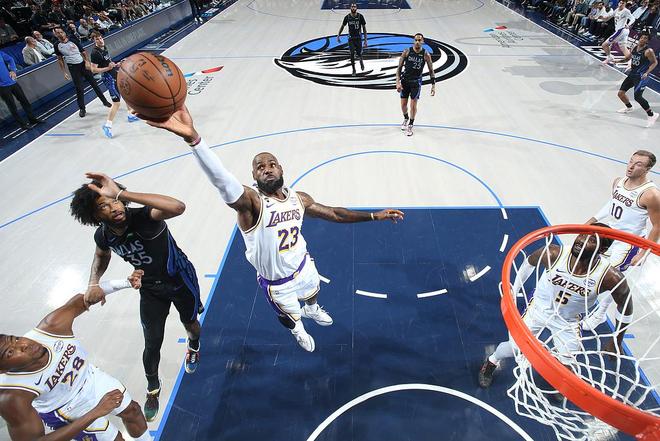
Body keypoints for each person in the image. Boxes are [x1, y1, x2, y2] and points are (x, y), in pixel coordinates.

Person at [134, 106, 404, 353]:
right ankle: (298, 329)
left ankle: (311, 309)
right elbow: (222, 180)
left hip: (303, 265)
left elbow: (334, 213)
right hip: (277, 282)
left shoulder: (299, 198)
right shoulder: (251, 204)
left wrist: (374, 215)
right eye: (260, 167)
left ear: (281, 168)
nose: (267, 169)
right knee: (290, 317)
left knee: (312, 293)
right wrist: (194, 140)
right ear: (254, 176)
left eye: (272, 164)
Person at [69, 172, 202, 422]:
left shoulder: (145, 216)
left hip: (180, 279)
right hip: (150, 288)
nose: (114, 207)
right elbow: (101, 256)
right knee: (152, 342)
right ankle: (153, 388)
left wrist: (121, 193)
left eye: (115, 200)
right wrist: (93, 282)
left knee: (191, 323)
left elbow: (178, 207)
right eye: (104, 206)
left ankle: (194, 344)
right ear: (94, 216)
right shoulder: (103, 235)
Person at [0, 270, 152, 441]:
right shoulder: (12, 396)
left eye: (16, 339)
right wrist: (96, 412)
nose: (24, 345)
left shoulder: (52, 327)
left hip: (89, 378)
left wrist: (126, 282)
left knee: (133, 411)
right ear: (2, 370)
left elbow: (87, 297)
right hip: (65, 408)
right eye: (11, 352)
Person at [478, 225, 633, 388]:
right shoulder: (554, 253)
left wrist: (617, 339)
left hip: (569, 320)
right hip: (538, 309)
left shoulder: (609, 277)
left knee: (567, 362)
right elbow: (529, 262)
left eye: (591, 240)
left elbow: (626, 306)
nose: (581, 240)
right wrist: (514, 291)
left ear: (603, 249)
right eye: (582, 235)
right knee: (515, 348)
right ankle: (491, 361)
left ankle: (560, 384)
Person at [581, 150, 658, 329]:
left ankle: (600, 314)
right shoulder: (618, 181)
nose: (631, 166)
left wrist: (644, 253)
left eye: (638, 164)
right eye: (631, 161)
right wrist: (592, 220)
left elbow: (657, 226)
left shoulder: (651, 195)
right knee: (589, 268)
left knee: (609, 277)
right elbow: (612, 203)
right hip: (609, 236)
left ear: (647, 169)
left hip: (628, 243)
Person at [89, 31, 139, 138]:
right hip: (109, 79)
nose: (100, 40)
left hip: (114, 74)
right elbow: (93, 69)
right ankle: (107, 125)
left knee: (125, 92)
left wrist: (116, 64)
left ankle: (130, 114)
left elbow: (108, 63)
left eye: (101, 38)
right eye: (97, 39)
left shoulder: (104, 47)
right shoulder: (95, 53)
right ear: (94, 41)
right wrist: (108, 68)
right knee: (116, 103)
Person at [53, 26, 111, 118]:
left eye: (61, 32)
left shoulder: (73, 40)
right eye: (58, 33)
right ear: (55, 34)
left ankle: (104, 101)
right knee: (79, 89)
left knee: (94, 84)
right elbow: (60, 59)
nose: (60, 34)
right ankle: (82, 109)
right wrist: (64, 72)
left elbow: (83, 52)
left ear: (64, 32)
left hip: (83, 65)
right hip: (73, 68)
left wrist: (87, 62)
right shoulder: (57, 45)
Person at [615, 29, 658, 127]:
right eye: (642, 37)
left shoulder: (648, 51)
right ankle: (629, 107)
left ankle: (652, 115)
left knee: (638, 97)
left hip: (641, 76)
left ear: (647, 41)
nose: (642, 39)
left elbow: (655, 62)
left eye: (645, 38)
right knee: (620, 94)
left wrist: (647, 72)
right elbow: (628, 58)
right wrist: (617, 61)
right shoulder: (635, 47)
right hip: (632, 74)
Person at [396, 33, 435, 137]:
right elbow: (399, 68)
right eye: (416, 40)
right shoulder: (407, 51)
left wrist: (433, 85)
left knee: (413, 105)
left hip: (416, 82)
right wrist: (397, 82)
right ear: (414, 41)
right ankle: (406, 118)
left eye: (419, 40)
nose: (417, 42)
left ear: (422, 42)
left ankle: (411, 124)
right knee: (403, 105)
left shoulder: (426, 54)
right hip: (405, 81)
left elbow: (431, 70)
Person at [0, 51, 44, 130]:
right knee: (12, 106)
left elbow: (10, 59)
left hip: (12, 82)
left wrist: (13, 70)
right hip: (2, 87)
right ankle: (22, 124)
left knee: (24, 101)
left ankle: (32, 119)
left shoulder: (0, 53)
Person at [336, 2, 367, 76]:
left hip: (358, 38)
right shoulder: (347, 17)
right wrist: (338, 35)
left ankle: (361, 60)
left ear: (356, 8)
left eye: (354, 7)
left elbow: (364, 28)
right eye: (352, 7)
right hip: (351, 39)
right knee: (352, 53)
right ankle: (354, 69)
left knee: (359, 53)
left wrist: (365, 40)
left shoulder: (360, 16)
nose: (353, 8)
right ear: (350, 8)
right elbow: (342, 26)